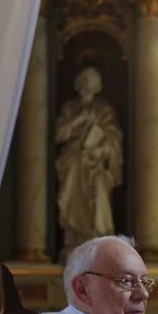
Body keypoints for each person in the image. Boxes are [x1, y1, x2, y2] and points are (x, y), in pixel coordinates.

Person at [55, 67, 124, 256]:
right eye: (84, 81)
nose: (87, 86)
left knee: (100, 189)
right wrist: (79, 119)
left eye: (91, 82)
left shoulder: (104, 109)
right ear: (78, 84)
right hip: (74, 161)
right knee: (71, 190)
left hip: (96, 163)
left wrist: (100, 150)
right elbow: (60, 134)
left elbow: (113, 137)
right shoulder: (70, 108)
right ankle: (74, 237)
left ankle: (100, 238)